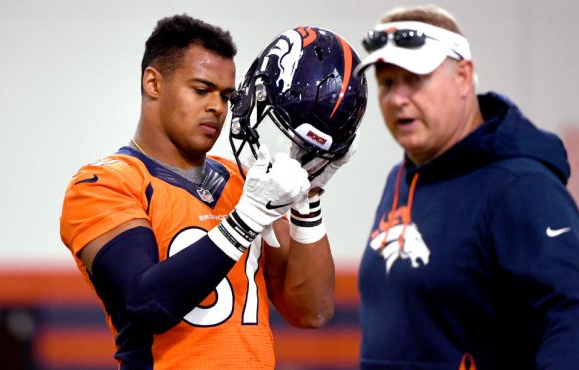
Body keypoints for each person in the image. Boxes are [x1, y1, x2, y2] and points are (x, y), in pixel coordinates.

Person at [60, 15, 367, 369]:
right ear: (153, 83)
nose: (216, 107)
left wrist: (307, 200)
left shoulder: (242, 181)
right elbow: (144, 304)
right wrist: (244, 220)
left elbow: (312, 312)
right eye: (201, 90)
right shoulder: (104, 184)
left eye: (226, 96)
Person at [355, 4, 579, 370]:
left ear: (463, 76)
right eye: (387, 83)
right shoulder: (399, 179)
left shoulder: (520, 186)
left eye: (415, 79)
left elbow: (570, 319)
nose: (397, 98)